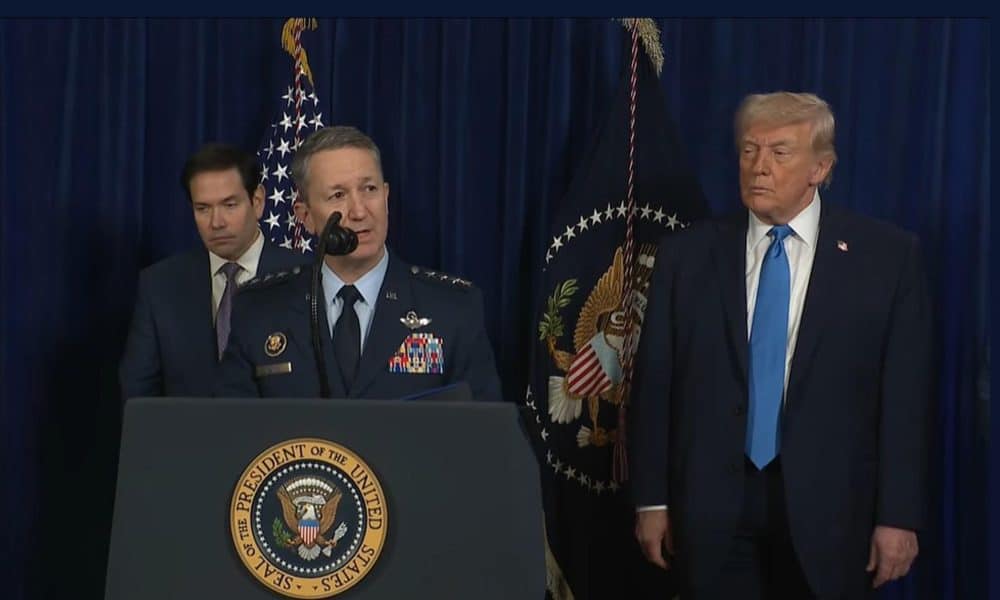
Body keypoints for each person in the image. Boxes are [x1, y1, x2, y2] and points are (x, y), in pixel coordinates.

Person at [631, 92, 932, 598]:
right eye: (749, 151)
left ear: (820, 167)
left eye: (779, 152)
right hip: (711, 510)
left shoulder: (887, 258)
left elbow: (905, 401)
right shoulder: (687, 256)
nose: (759, 168)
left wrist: (898, 516)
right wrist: (651, 501)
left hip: (832, 513)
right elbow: (655, 384)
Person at [215, 125, 502, 403]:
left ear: (386, 197)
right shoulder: (259, 309)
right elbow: (234, 434)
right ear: (305, 216)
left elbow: (482, 438)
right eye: (337, 195)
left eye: (369, 189)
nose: (359, 211)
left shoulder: (453, 309)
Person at [119, 143, 309, 399]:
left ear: (257, 201)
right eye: (203, 209)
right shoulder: (160, 286)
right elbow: (137, 395)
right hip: (187, 437)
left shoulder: (305, 277)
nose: (216, 222)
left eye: (229, 205)